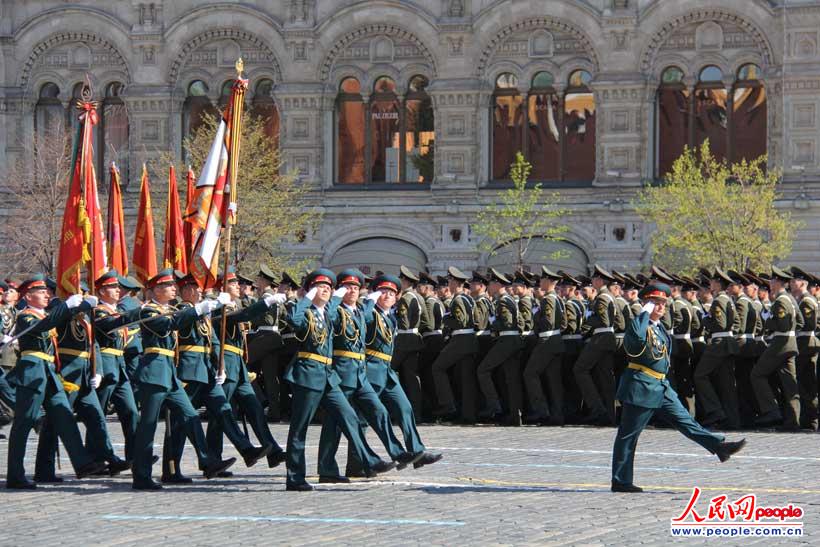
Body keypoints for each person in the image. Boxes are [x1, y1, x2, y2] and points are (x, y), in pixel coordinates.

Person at [611, 283, 746, 493]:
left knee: (686, 422)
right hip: (641, 386)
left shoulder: (659, 327)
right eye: (656, 303)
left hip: (661, 385)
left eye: (663, 303)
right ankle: (620, 480)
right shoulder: (639, 325)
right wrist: (644, 311)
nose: (661, 307)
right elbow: (636, 338)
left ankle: (720, 448)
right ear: (646, 303)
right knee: (629, 435)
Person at [281, 269, 396, 491]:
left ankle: (368, 460)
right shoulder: (305, 312)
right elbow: (293, 320)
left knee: (350, 416)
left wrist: (339, 299)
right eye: (319, 287)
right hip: (307, 375)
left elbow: (349, 317)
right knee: (299, 429)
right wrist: (307, 297)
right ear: (310, 290)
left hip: (328, 376)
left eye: (328, 287)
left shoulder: (329, 313)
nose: (325, 290)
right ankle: (295, 477)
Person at [162, 273, 274, 484]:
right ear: (186, 290)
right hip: (189, 371)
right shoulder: (183, 310)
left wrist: (219, 365)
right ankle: (172, 468)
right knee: (181, 421)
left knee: (224, 410)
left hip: (207, 370)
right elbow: (183, 323)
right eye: (194, 288)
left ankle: (246, 450)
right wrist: (206, 307)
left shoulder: (202, 312)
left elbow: (213, 342)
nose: (199, 291)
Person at [131, 269, 236, 490]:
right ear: (157, 290)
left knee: (190, 416)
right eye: (169, 286)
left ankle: (207, 461)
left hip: (170, 373)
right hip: (154, 372)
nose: (173, 289)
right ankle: (141, 476)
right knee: (148, 426)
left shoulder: (169, 310)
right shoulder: (148, 310)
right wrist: (200, 309)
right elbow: (169, 324)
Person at [316, 269, 423, 482]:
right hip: (342, 372)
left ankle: (399, 453)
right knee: (335, 424)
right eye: (348, 287)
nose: (353, 291)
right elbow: (327, 315)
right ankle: (328, 468)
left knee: (379, 412)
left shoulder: (360, 312)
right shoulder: (337, 310)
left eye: (356, 288)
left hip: (360, 373)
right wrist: (340, 297)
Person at [5, 275, 107, 489]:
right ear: (28, 296)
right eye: (41, 292)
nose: (47, 295)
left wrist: (80, 306)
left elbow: (59, 322)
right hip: (32, 373)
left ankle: (82, 463)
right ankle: (15, 474)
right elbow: (46, 325)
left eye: (47, 292)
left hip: (50, 373)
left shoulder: (46, 314)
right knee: (24, 423)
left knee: (65, 416)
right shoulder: (26, 316)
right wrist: (68, 306)